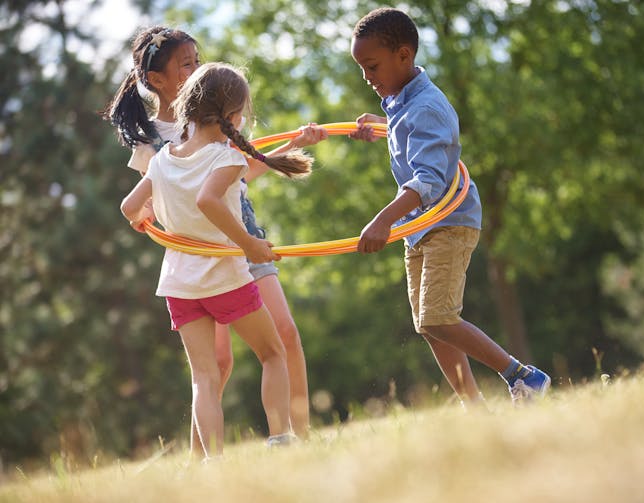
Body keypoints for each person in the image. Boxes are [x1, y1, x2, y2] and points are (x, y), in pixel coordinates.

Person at [103, 26, 321, 444]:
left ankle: (300, 435)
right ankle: (204, 457)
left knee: (284, 334)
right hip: (201, 251)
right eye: (186, 64)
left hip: (239, 237)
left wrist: (290, 145)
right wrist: (148, 218)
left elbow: (235, 179)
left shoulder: (212, 119)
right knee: (217, 363)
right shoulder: (154, 143)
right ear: (155, 79)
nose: (197, 69)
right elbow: (156, 204)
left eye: (197, 61)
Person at [348, 8, 551, 404]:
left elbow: (427, 181)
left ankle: (522, 376)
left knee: (439, 317)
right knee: (429, 323)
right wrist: (382, 124)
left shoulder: (425, 106)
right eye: (361, 68)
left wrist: (382, 220)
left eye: (371, 66)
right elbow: (411, 131)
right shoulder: (403, 100)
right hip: (419, 226)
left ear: (404, 56)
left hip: (447, 222)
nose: (366, 77)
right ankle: (474, 407)